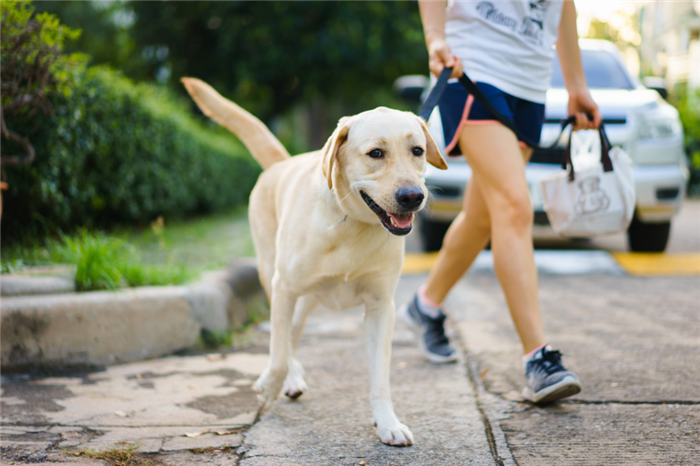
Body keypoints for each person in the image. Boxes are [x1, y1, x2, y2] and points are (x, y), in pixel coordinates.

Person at [399, 0, 602, 404]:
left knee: (483, 216)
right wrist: (434, 36)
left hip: (530, 81)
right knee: (514, 205)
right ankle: (538, 359)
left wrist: (576, 84)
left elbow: (563, 5)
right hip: (473, 67)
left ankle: (425, 305)